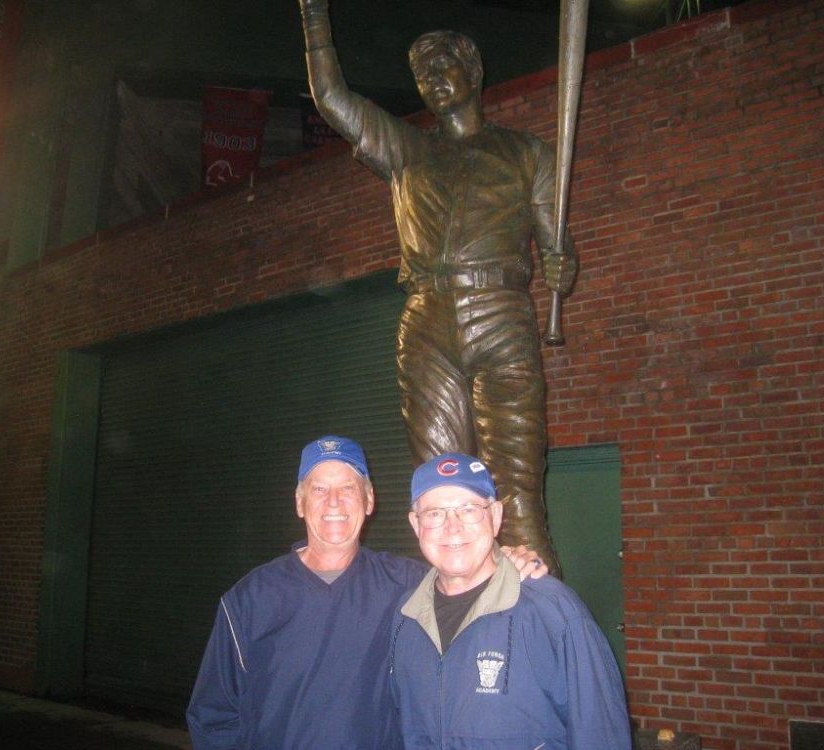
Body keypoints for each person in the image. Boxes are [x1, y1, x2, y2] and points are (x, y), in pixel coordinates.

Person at [298, 0, 577, 577]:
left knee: (516, 493)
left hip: (501, 316)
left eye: (442, 64)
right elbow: (331, 98)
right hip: (427, 321)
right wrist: (313, 15)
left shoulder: (528, 154)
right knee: (442, 492)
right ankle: (456, 614)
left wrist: (562, 266)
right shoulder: (406, 150)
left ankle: (545, 620)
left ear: (474, 72)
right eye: (421, 72)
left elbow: (558, 248)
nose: (430, 78)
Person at [185, 435, 546, 749]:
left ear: (369, 499)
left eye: (348, 488)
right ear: (299, 502)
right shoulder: (249, 599)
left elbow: (465, 574)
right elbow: (213, 717)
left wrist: (507, 560)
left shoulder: (409, 585)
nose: (334, 502)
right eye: (319, 489)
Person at [389, 452, 631, 749]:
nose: (453, 527)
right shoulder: (406, 618)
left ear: (495, 517)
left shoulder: (554, 612)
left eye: (468, 509)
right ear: (416, 525)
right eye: (435, 513)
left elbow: (601, 736)